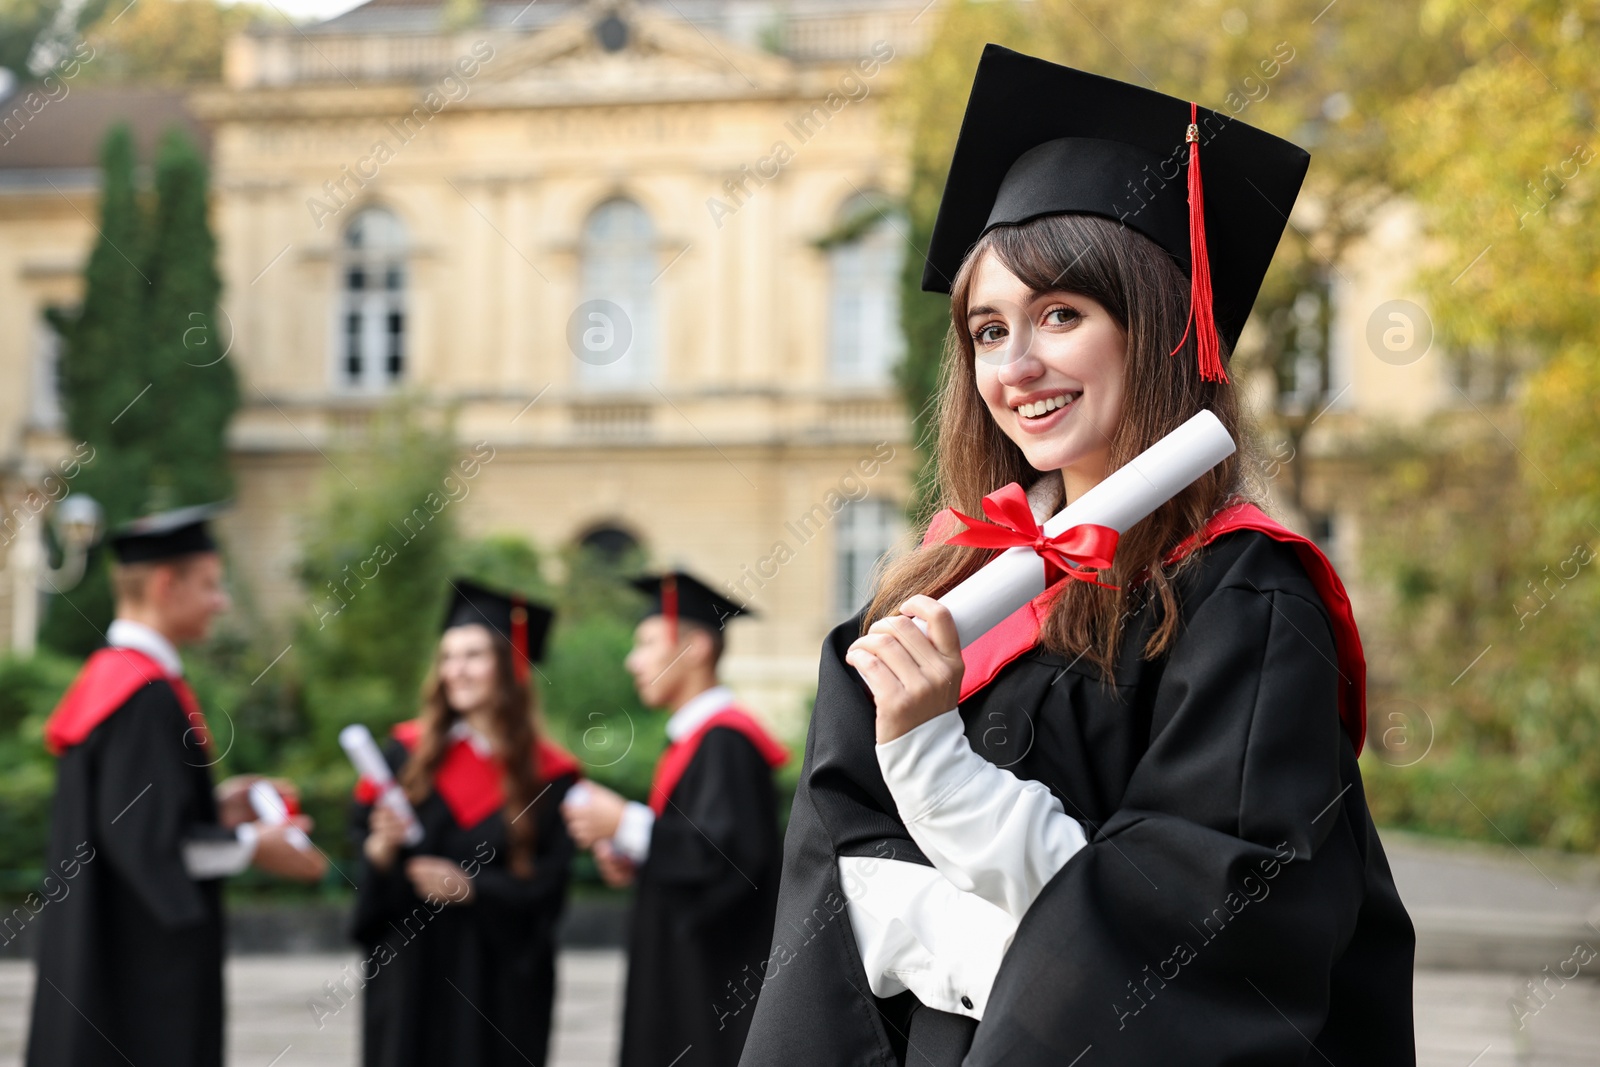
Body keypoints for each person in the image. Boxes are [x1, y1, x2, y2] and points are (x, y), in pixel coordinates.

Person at [740, 45, 1416, 1067]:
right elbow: (834, 878)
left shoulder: (1242, 595)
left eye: (1061, 314)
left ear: (1152, 328)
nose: (1016, 367)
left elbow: (1200, 925)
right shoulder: (936, 583)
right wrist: (1002, 935)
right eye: (987, 327)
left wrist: (931, 763)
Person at [25, 501, 326, 1067]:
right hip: (138, 975)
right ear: (167, 585)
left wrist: (214, 808)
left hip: (102, 952)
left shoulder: (117, 678)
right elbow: (147, 842)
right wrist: (254, 846)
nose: (221, 601)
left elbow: (131, 817)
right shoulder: (144, 695)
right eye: (211, 585)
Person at [562, 570, 789, 1067]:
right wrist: (636, 856)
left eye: (645, 643)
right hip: (679, 970)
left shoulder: (726, 741)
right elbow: (695, 847)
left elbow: (728, 861)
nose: (632, 660)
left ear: (696, 648)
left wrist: (625, 823)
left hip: (710, 983)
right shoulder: (695, 740)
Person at [350, 577, 580, 1067]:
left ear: (510, 666)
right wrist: (380, 849)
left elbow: (551, 891)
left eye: (474, 656)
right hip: (410, 978)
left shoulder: (549, 776)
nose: (456, 670)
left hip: (499, 986)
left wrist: (473, 890)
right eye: (448, 657)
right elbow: (363, 875)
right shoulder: (404, 757)